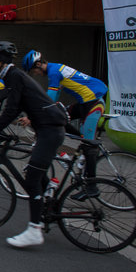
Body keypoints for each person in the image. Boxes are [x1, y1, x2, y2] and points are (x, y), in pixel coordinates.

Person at [0, 41, 67, 248]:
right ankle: (47, 200)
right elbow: (12, 107)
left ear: (1, 60)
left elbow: (12, 109)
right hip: (46, 128)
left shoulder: (14, 76)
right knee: (33, 169)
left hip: (50, 130)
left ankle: (34, 229)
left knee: (32, 177)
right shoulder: (11, 76)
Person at [22, 49, 108, 200]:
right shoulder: (56, 69)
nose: (35, 74)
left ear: (38, 64)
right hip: (84, 103)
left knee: (89, 147)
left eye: (34, 70)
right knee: (61, 118)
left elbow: (50, 99)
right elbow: (52, 101)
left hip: (94, 103)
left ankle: (92, 187)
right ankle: (81, 138)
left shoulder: (54, 72)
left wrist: (33, 115)